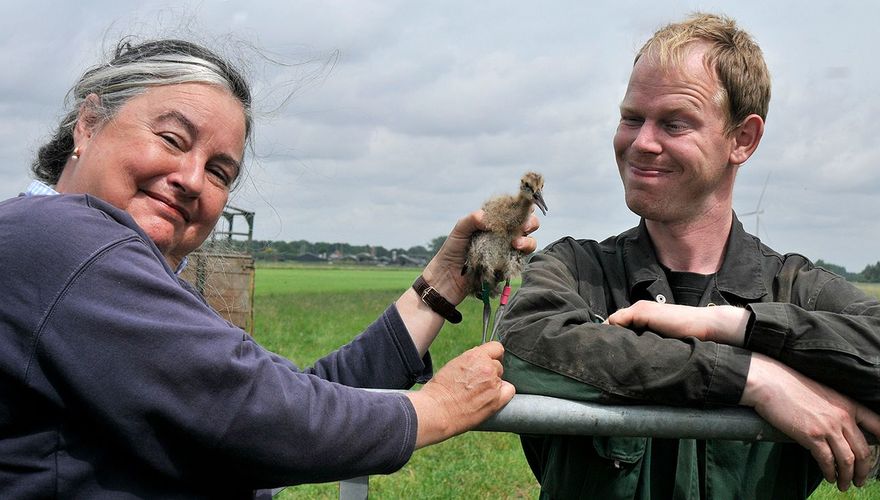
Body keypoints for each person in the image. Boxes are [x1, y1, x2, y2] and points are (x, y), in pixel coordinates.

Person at [0, 38, 539, 497]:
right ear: (88, 124)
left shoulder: (82, 274)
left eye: (219, 171)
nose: (191, 179)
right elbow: (260, 413)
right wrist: (436, 409)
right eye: (171, 139)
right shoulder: (57, 237)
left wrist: (442, 286)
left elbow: (281, 403)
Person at [498, 12, 880, 499]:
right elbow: (524, 345)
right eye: (631, 117)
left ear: (743, 139)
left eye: (674, 123)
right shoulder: (577, 271)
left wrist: (740, 327)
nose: (641, 143)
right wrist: (751, 376)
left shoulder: (793, 289)